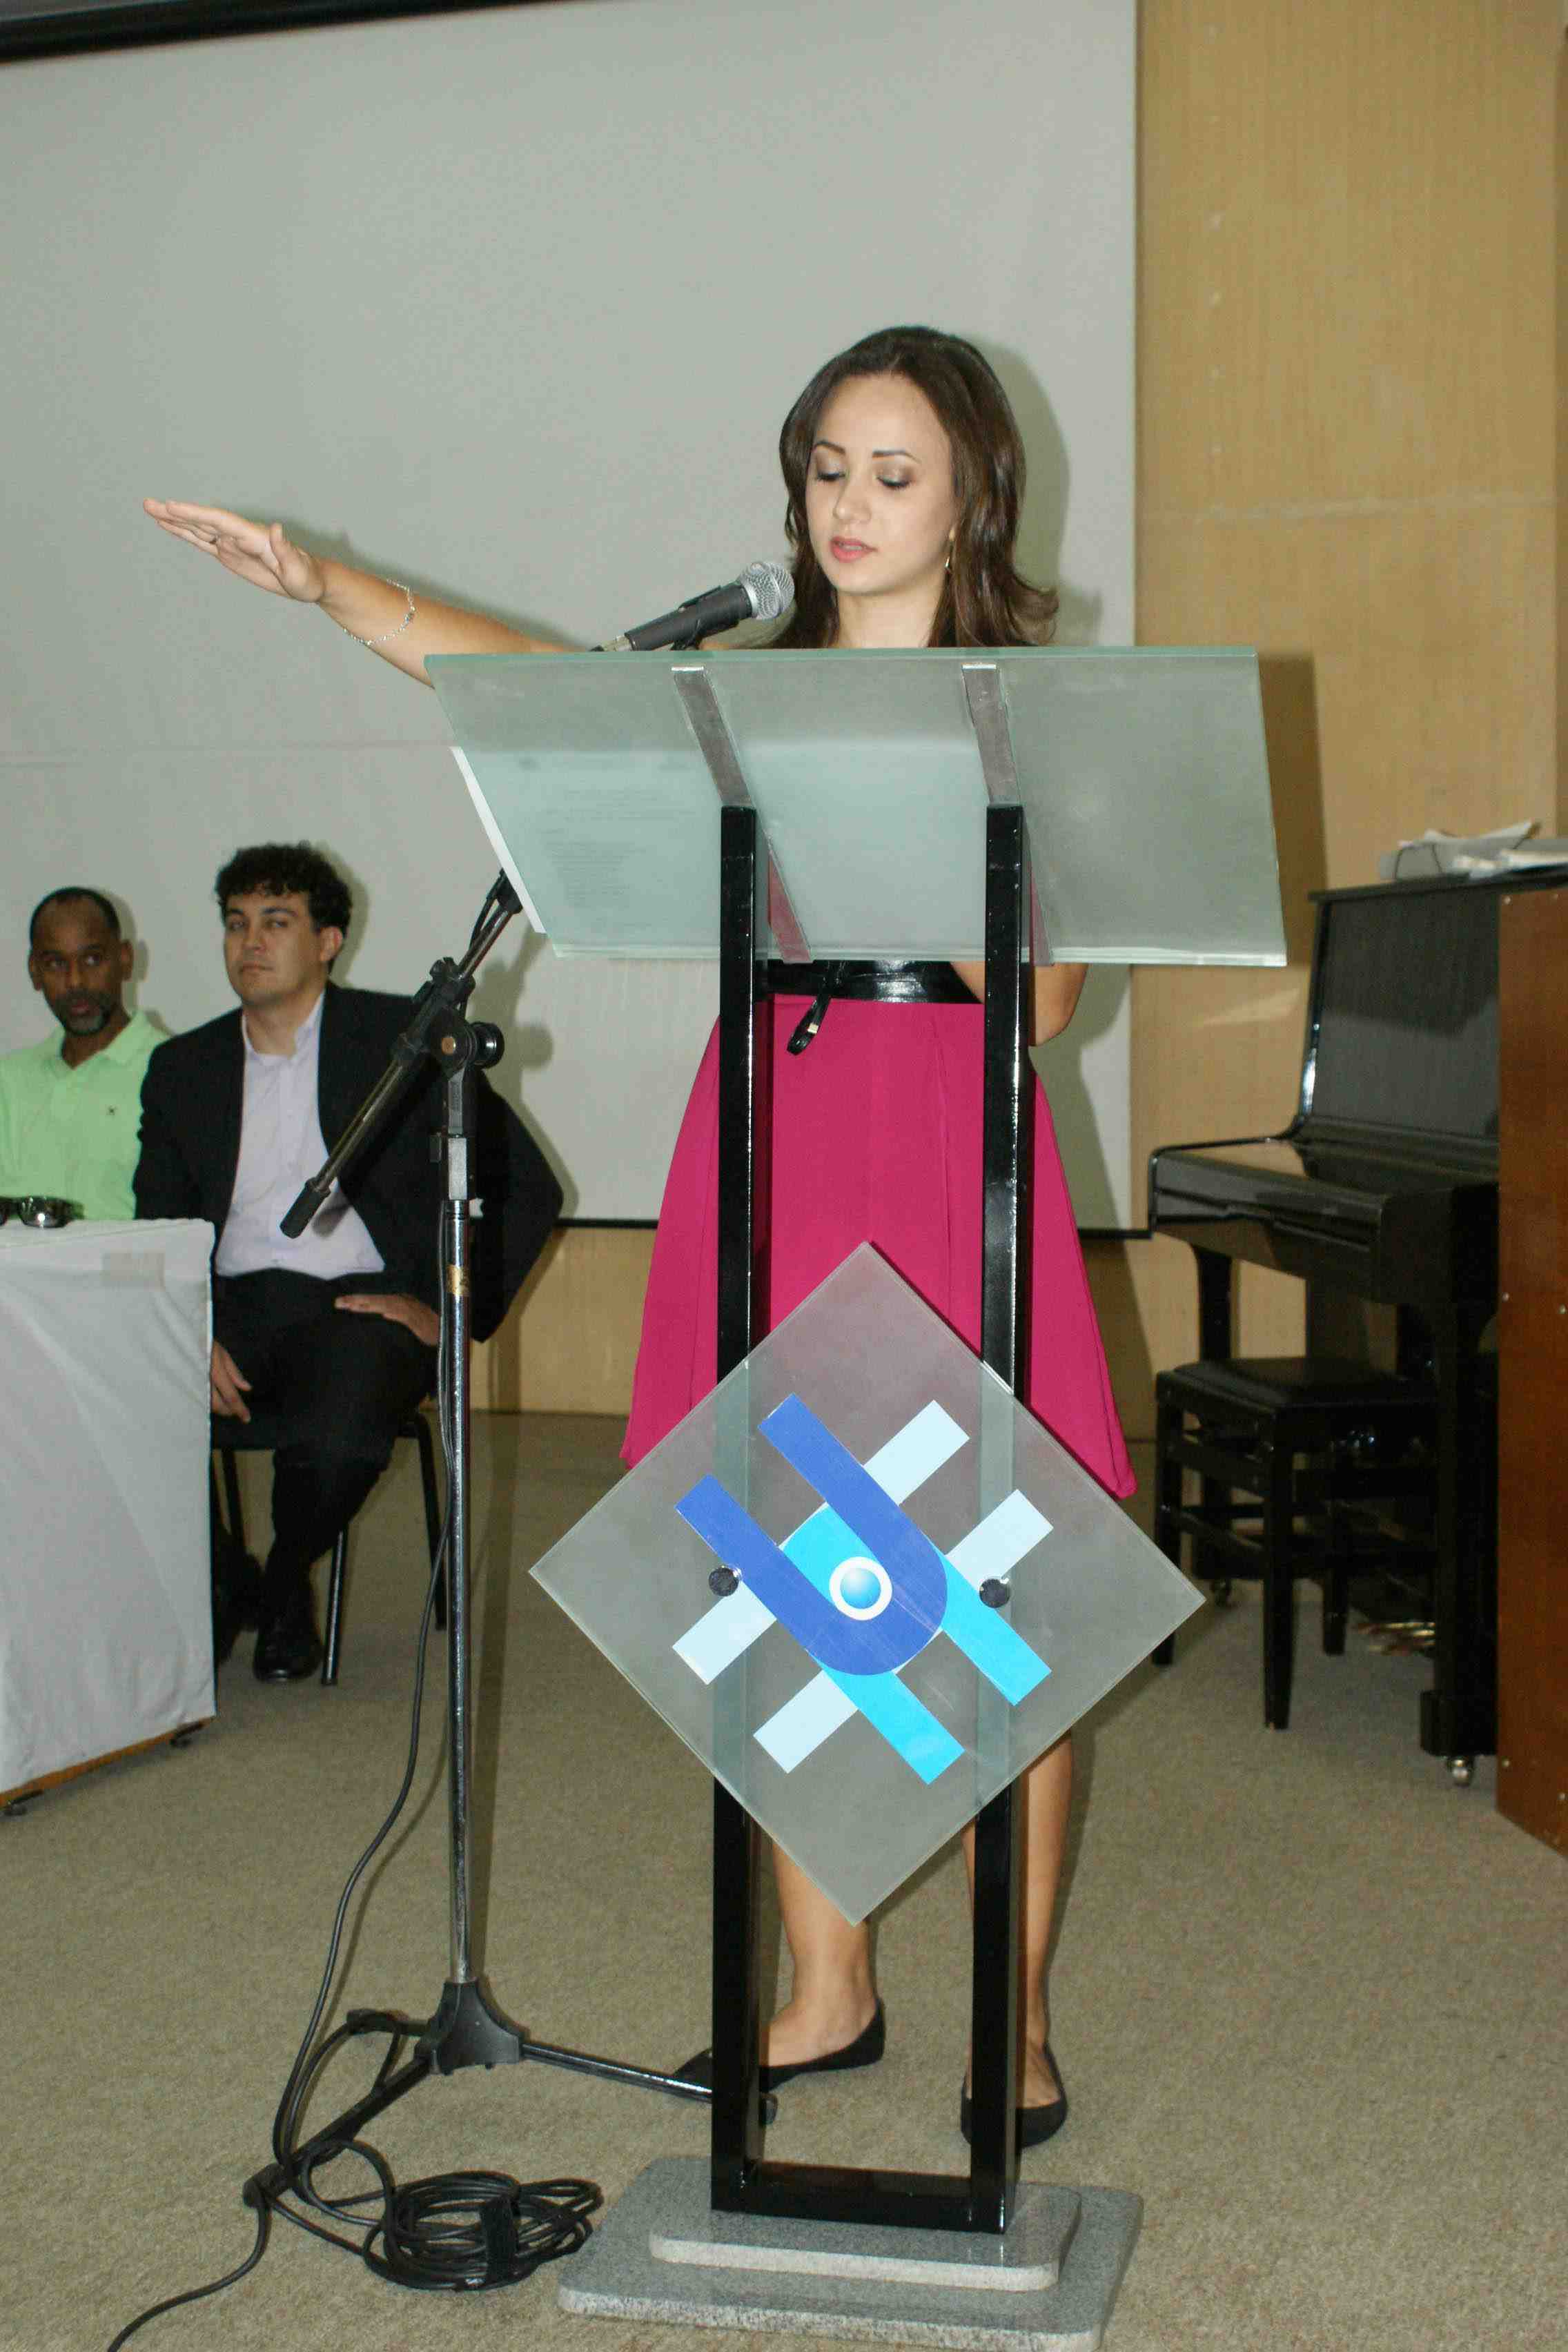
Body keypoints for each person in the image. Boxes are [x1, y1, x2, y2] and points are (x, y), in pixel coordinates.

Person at [144, 324, 1133, 2138]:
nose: (848, 505)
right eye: (825, 468)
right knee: (793, 1577)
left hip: (938, 1150)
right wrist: (324, 585)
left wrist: (902, 797)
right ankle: (826, 1984)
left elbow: (1049, 1002)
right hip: (778, 1136)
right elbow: (529, 686)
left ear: (971, 500)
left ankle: (1017, 2017)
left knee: (995, 1595)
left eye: (891, 474)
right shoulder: (739, 697)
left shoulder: (1021, 713)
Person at [133, 841, 562, 1680]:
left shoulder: (400, 1045)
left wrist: (448, 1311)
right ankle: (236, 1580)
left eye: (276, 921)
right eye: (236, 924)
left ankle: (284, 1579)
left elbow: (528, 1186)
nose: (250, 941)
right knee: (106, 1400)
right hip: (232, 1306)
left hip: (360, 1306)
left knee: (339, 1436)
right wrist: (188, 1324)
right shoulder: (184, 1068)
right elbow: (161, 1220)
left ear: (329, 941)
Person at [0, 888, 163, 1219]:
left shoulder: (173, 1073)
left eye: (92, 960)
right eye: (55, 963)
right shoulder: (8, 1081)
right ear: (34, 971)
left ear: (125, 959)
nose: (75, 981)